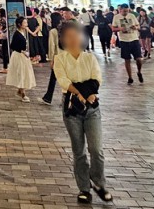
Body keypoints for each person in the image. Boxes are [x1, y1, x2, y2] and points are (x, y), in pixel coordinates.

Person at [54, 21, 112, 204]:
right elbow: (63, 81)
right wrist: (82, 92)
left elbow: (97, 79)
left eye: (75, 35)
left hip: (92, 109)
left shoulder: (89, 58)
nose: (73, 39)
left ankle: (99, 183)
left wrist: (83, 91)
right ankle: (84, 188)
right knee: (79, 151)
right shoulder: (60, 59)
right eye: (68, 36)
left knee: (96, 149)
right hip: (72, 110)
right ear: (62, 39)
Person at [6, 17, 36, 102]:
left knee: (24, 73)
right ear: (20, 24)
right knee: (22, 73)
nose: (26, 24)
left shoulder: (22, 33)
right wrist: (22, 51)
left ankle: (20, 91)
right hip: (19, 56)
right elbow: (13, 46)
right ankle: (23, 93)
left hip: (22, 56)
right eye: (24, 23)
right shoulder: (17, 34)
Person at [112, 5, 144, 84]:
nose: (126, 13)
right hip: (124, 41)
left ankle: (139, 72)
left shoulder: (132, 16)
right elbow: (113, 28)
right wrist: (120, 29)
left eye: (127, 11)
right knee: (127, 60)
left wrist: (135, 27)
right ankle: (130, 77)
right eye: (124, 11)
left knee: (139, 59)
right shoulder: (116, 17)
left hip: (134, 39)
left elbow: (138, 26)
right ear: (120, 10)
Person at [41, 11, 64, 105]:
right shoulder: (65, 29)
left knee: (53, 79)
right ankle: (49, 97)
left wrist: (51, 60)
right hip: (67, 57)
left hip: (58, 58)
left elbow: (52, 46)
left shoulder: (53, 31)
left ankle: (48, 97)